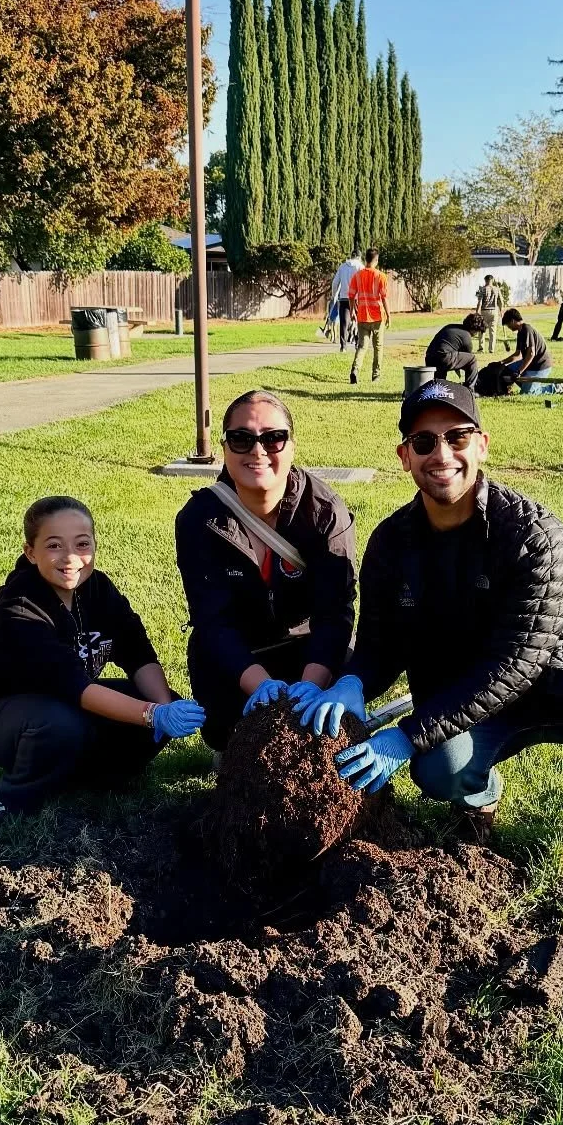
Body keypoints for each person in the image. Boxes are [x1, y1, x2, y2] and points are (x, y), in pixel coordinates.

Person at [287, 381, 563, 867]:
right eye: (424, 442)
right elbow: (383, 640)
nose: (441, 453)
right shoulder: (391, 543)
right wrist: (352, 682)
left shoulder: (533, 534)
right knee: (440, 768)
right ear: (405, 456)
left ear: (482, 444)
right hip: (473, 701)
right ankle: (479, 793)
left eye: (458, 437)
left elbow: (515, 664)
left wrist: (404, 735)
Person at [0, 496, 204, 815]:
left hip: (68, 705)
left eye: (82, 544)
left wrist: (164, 705)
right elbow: (75, 687)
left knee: (153, 702)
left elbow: (138, 654)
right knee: (63, 724)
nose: (71, 558)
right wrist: (152, 715)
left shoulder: (99, 589)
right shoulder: (21, 611)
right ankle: (15, 800)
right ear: (30, 552)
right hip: (7, 720)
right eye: (54, 546)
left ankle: (93, 780)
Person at [175, 389, 357, 750]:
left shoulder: (325, 513)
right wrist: (259, 684)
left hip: (308, 646)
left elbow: (334, 613)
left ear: (291, 445)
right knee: (231, 741)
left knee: (320, 737)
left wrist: (310, 685)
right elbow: (212, 620)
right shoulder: (198, 519)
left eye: (273, 438)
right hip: (239, 653)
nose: (258, 451)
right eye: (241, 439)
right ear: (225, 448)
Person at [348, 247, 390, 384]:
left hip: (362, 316)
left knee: (362, 346)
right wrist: (389, 315)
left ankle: (355, 369)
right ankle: (376, 376)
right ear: (376, 260)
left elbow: (351, 296)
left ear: (366, 259)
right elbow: (384, 298)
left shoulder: (357, 276)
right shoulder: (381, 276)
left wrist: (352, 311)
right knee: (378, 347)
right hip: (377, 317)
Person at [424, 314, 483, 383]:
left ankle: (437, 386)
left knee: (439, 381)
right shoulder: (466, 336)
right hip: (443, 358)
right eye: (477, 331)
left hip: (429, 358)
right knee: (472, 359)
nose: (476, 334)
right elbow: (468, 361)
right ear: (474, 329)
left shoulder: (451, 326)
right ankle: (470, 390)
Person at [331, 249, 362, 349]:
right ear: (359, 257)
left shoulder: (342, 266)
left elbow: (335, 283)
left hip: (344, 297)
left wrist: (333, 295)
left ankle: (343, 346)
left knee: (344, 322)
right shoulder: (360, 267)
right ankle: (357, 342)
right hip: (357, 298)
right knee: (358, 320)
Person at [472, 274, 503, 354]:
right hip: (494, 311)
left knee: (482, 330)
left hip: (484, 311)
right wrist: (501, 310)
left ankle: (481, 348)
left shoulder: (483, 289)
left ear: (485, 280)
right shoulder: (496, 289)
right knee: (493, 331)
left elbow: (479, 302)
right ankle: (491, 349)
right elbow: (501, 301)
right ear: (492, 280)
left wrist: (477, 313)